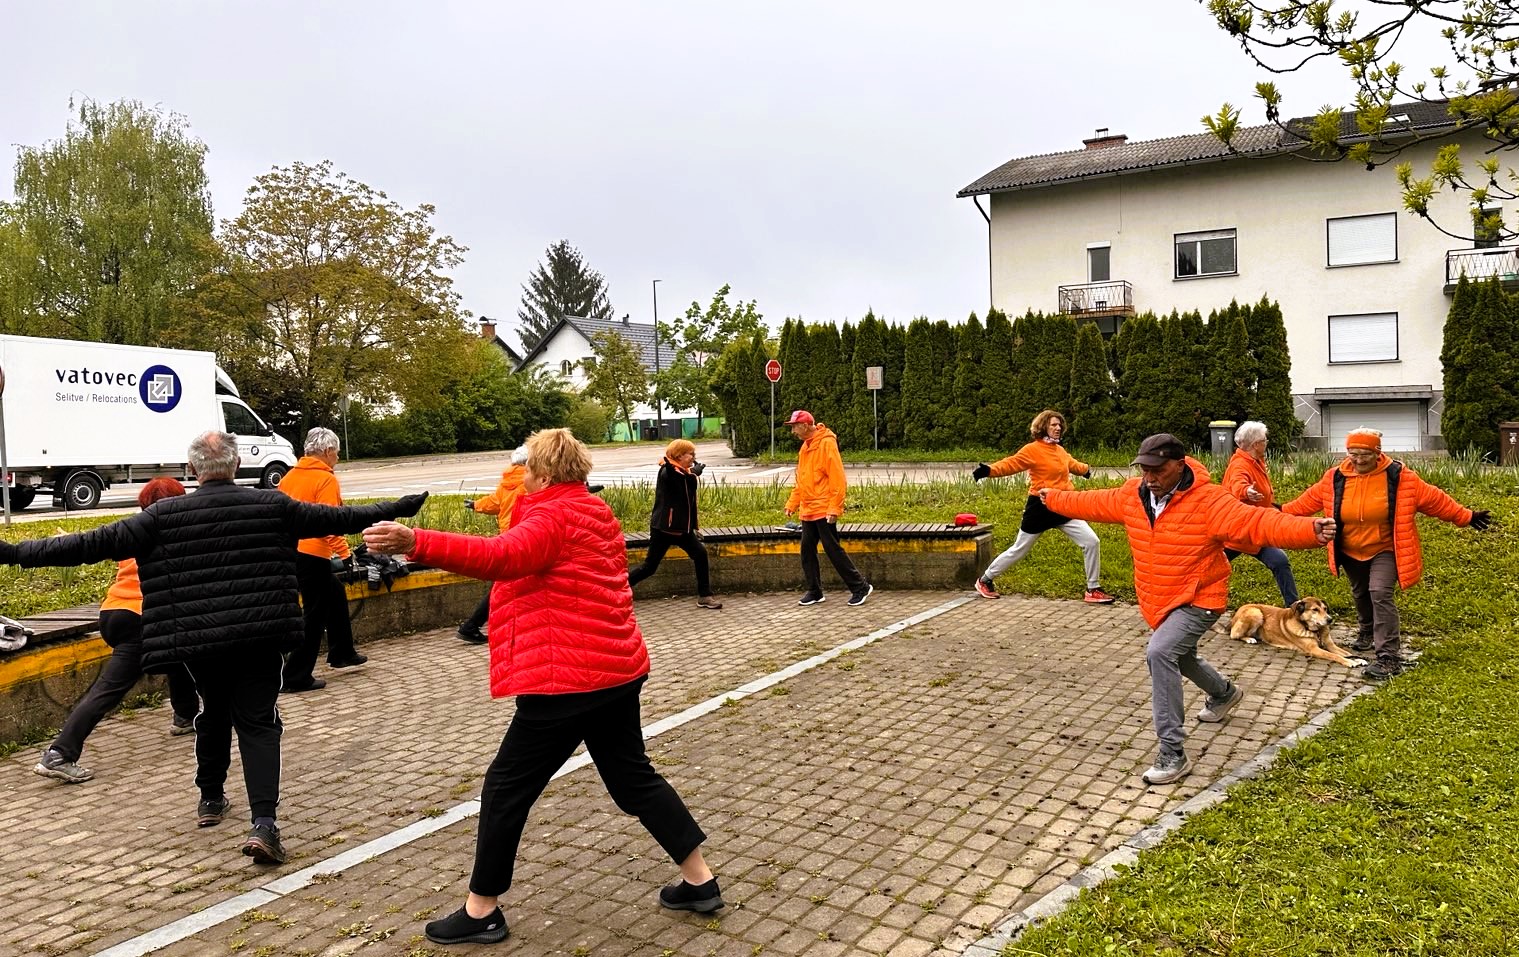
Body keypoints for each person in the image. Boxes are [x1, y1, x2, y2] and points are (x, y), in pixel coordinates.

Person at [362, 428, 720, 947]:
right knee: (632, 779)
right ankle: (700, 881)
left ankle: (481, 910)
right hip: (614, 670)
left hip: (568, 680)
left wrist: (417, 541)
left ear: (546, 473)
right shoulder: (592, 510)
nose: (521, 474)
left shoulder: (551, 516)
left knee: (506, 788)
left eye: (527, 466)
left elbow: (501, 557)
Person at [0, 431, 427, 865]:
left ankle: (210, 799)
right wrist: (400, 507)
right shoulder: (271, 505)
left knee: (213, 711)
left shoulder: (159, 517)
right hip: (260, 636)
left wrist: (12, 553)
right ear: (237, 466)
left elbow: (83, 545)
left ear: (193, 470)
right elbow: (342, 518)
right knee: (259, 724)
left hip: (196, 640)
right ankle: (264, 824)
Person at [1042, 434, 1336, 786]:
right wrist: (1053, 497)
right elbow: (1093, 502)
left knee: (1161, 652)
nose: (1150, 477)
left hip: (1201, 597)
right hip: (1159, 598)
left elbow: (1256, 522)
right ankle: (1225, 693)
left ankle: (1173, 753)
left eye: (1158, 470)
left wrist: (1308, 529)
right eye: (1144, 469)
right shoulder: (1133, 495)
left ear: (1179, 465)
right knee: (1180, 657)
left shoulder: (1209, 500)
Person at [1282, 428, 1490, 681]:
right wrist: (1279, 511)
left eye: (1364, 454)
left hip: (1386, 547)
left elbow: (1434, 499)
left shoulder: (1399, 476)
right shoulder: (1335, 477)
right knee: (1360, 592)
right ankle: (1367, 632)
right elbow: (1308, 501)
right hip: (1349, 548)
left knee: (1379, 592)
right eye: (1352, 453)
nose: (1357, 460)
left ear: (1377, 452)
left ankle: (1388, 656)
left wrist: (1466, 516)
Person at [33, 478, 201, 785]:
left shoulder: (135, 529)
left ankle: (185, 715)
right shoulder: (179, 534)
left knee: (178, 652)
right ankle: (59, 753)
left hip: (113, 612)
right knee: (109, 689)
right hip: (140, 617)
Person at [970, 409, 1115, 604]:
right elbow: (1011, 464)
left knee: (1091, 541)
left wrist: (1085, 469)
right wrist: (989, 470)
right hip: (1040, 507)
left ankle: (1093, 589)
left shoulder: (1059, 450)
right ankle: (985, 580)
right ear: (1043, 427)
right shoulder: (1032, 450)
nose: (1058, 428)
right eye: (1053, 425)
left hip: (1064, 504)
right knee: (1019, 549)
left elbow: (1070, 463)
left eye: (1059, 425)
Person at [278, 427, 367, 691]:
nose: (337, 459)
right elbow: (330, 521)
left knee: (335, 593)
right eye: (337, 454)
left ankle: (342, 652)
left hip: (291, 550)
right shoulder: (325, 479)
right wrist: (345, 553)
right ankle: (295, 675)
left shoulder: (289, 477)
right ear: (327, 452)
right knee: (313, 615)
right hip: (313, 552)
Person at [783, 410, 872, 607]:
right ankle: (814, 591)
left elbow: (838, 479)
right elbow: (802, 480)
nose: (793, 431)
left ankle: (860, 587)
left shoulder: (826, 444)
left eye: (794, 427)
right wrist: (792, 503)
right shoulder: (805, 447)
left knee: (833, 549)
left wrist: (834, 508)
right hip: (808, 510)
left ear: (805, 426)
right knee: (807, 550)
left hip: (823, 508)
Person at [627, 439, 723, 610]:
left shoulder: (680, 469)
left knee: (700, 554)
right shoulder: (668, 471)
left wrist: (691, 471)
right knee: (649, 567)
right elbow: (680, 481)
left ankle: (705, 596)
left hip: (682, 529)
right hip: (664, 528)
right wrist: (693, 472)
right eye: (690, 454)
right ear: (679, 455)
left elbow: (686, 480)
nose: (693, 457)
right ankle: (618, 590)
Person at [1220, 420, 1300, 606]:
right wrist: (1247, 491)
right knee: (1211, 568)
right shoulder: (1240, 464)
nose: (1267, 442)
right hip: (1237, 531)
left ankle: (1293, 607)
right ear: (1256, 444)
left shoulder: (1255, 461)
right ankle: (1189, 603)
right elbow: (1238, 483)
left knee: (1280, 562)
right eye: (1265, 439)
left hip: (1256, 528)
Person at [457, 446, 530, 644]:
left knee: (511, 584)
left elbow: (494, 503)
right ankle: (471, 625)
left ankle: (473, 625)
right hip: (524, 538)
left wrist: (475, 505)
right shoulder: (531, 481)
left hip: (508, 536)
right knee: (505, 585)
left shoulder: (507, 482)